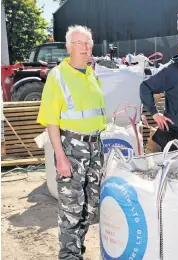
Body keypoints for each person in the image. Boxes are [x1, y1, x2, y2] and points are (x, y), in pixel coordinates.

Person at [37, 25, 106, 260]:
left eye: (88, 43)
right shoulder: (57, 76)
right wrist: (61, 157)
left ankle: (79, 251)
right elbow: (51, 121)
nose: (85, 48)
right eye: (79, 43)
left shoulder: (93, 75)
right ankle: (69, 256)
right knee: (70, 209)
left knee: (89, 207)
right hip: (71, 148)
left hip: (95, 148)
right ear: (69, 47)